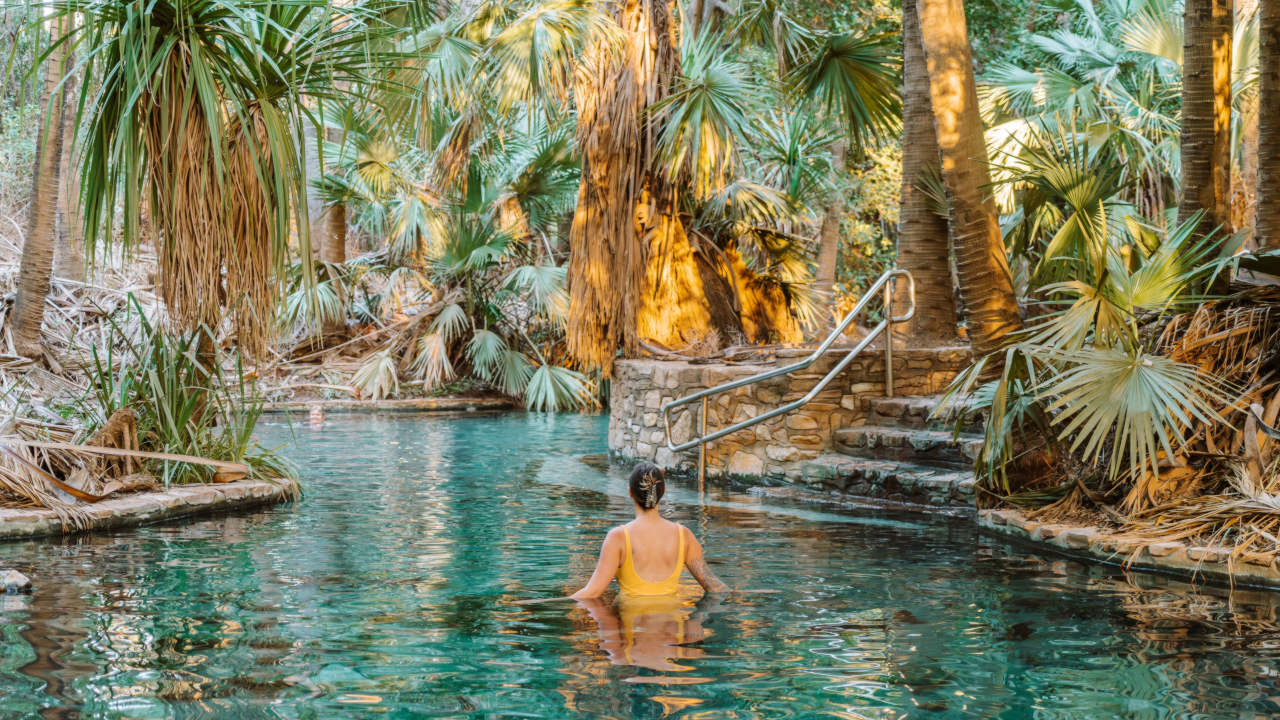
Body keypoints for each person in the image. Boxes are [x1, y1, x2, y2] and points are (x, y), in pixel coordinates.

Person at [571, 463, 729, 599]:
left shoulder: (618, 538)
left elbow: (592, 593)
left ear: (630, 493)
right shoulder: (684, 536)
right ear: (663, 491)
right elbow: (714, 587)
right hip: (672, 632)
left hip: (631, 631)